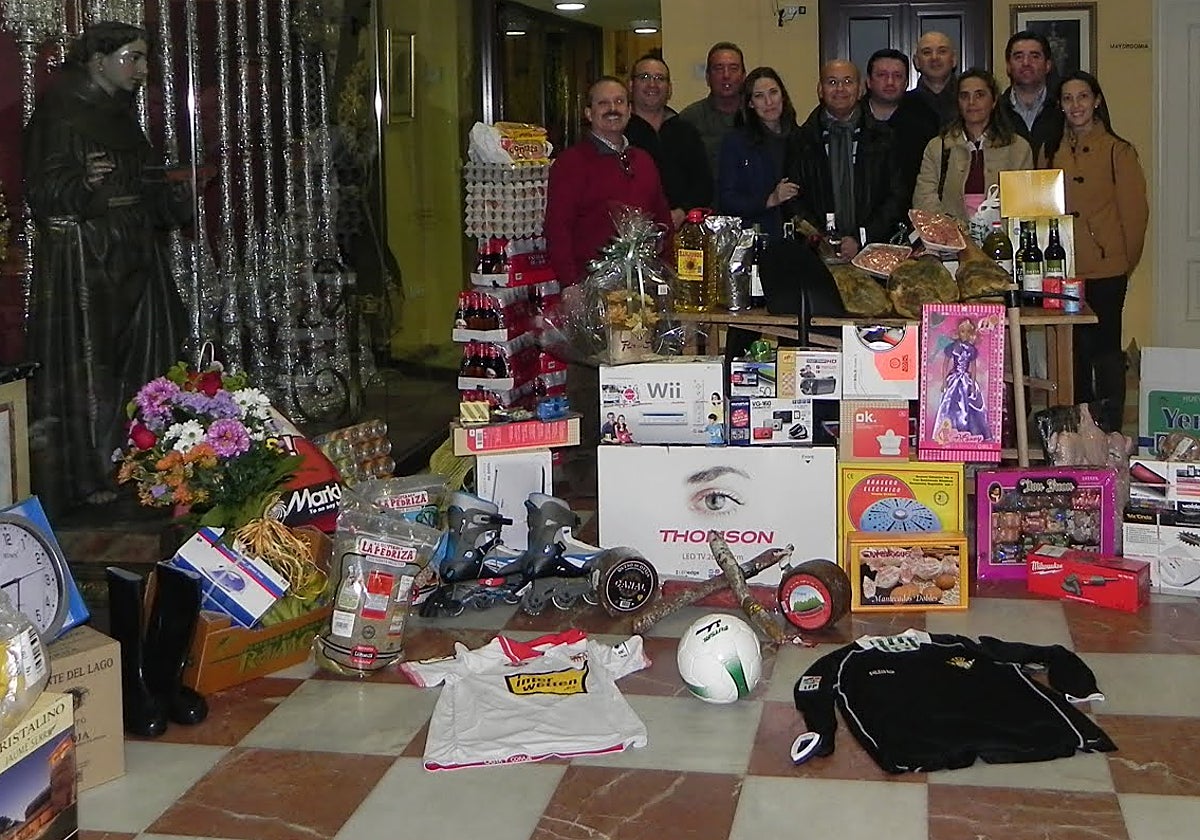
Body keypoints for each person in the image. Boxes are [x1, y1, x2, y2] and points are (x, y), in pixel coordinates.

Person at [24, 21, 190, 514]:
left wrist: (174, 195)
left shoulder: (121, 114)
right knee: (92, 367)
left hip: (134, 252)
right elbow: (43, 191)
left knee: (147, 354)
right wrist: (84, 186)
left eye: (143, 59)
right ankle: (95, 471)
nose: (141, 70)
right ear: (98, 61)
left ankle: (145, 460)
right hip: (86, 259)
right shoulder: (60, 112)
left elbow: (143, 182)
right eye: (131, 58)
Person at [1039, 70, 1148, 430]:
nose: (1076, 105)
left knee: (1105, 353)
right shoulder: (1049, 150)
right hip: (1062, 269)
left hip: (1106, 268)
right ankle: (1076, 429)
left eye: (1083, 97)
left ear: (1097, 101)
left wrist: (1122, 261)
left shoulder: (1119, 151)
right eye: (1068, 98)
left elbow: (1135, 214)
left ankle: (1110, 428)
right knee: (1071, 354)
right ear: (1060, 105)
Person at [544, 76, 672, 287]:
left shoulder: (644, 161)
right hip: (591, 285)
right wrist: (570, 284)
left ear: (629, 111)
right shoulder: (571, 163)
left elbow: (663, 220)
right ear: (589, 113)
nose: (613, 109)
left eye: (619, 102)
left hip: (644, 284)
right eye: (603, 103)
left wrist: (666, 273)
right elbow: (558, 229)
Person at [789, 59, 907, 259]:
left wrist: (861, 238)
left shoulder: (885, 138)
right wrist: (820, 239)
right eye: (832, 82)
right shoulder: (801, 141)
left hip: (873, 252)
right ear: (820, 90)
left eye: (847, 81)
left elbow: (896, 197)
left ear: (860, 90)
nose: (840, 89)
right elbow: (793, 199)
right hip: (817, 255)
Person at [913, 68, 1033, 224]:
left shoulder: (1018, 148)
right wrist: (953, 232)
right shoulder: (938, 147)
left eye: (980, 95)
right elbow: (924, 200)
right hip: (950, 236)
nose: (971, 102)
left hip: (1002, 236)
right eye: (964, 96)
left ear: (994, 101)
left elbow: (1024, 205)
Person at [624, 55, 712, 229]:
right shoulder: (620, 132)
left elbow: (704, 185)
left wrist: (682, 212)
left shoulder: (686, 131)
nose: (652, 84)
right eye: (644, 77)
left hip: (684, 228)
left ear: (669, 89)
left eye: (660, 78)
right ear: (631, 85)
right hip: (632, 231)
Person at [716, 66, 799, 239]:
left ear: (783, 96)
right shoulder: (736, 143)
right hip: (756, 237)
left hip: (799, 237)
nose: (769, 102)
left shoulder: (801, 138)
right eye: (759, 96)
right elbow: (727, 200)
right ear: (750, 103)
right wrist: (769, 200)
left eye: (773, 93)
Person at [863, 48, 939, 202]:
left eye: (897, 76)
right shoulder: (853, 120)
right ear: (869, 81)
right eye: (882, 75)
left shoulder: (924, 120)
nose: (890, 82)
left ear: (906, 83)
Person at [678, 42, 746, 184]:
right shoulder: (689, 120)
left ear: (743, 76)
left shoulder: (756, 116)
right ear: (708, 77)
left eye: (733, 68)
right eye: (719, 69)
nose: (726, 75)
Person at [999, 30, 1063, 160]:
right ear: (1008, 66)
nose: (1026, 63)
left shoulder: (1063, 108)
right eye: (1018, 57)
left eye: (1034, 56)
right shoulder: (995, 112)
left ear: (1048, 65)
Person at [933, 318, 989, 442]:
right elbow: (945, 364)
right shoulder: (952, 347)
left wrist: (973, 384)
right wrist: (944, 381)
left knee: (970, 404)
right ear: (958, 332)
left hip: (966, 380)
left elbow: (973, 367)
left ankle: (968, 430)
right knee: (949, 404)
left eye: (968, 332)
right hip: (954, 378)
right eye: (963, 331)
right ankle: (950, 430)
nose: (965, 334)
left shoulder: (971, 349)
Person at [907, 31, 959, 127]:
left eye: (942, 51)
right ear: (917, 61)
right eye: (927, 52)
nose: (934, 58)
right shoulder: (904, 104)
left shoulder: (969, 101)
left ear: (954, 59)